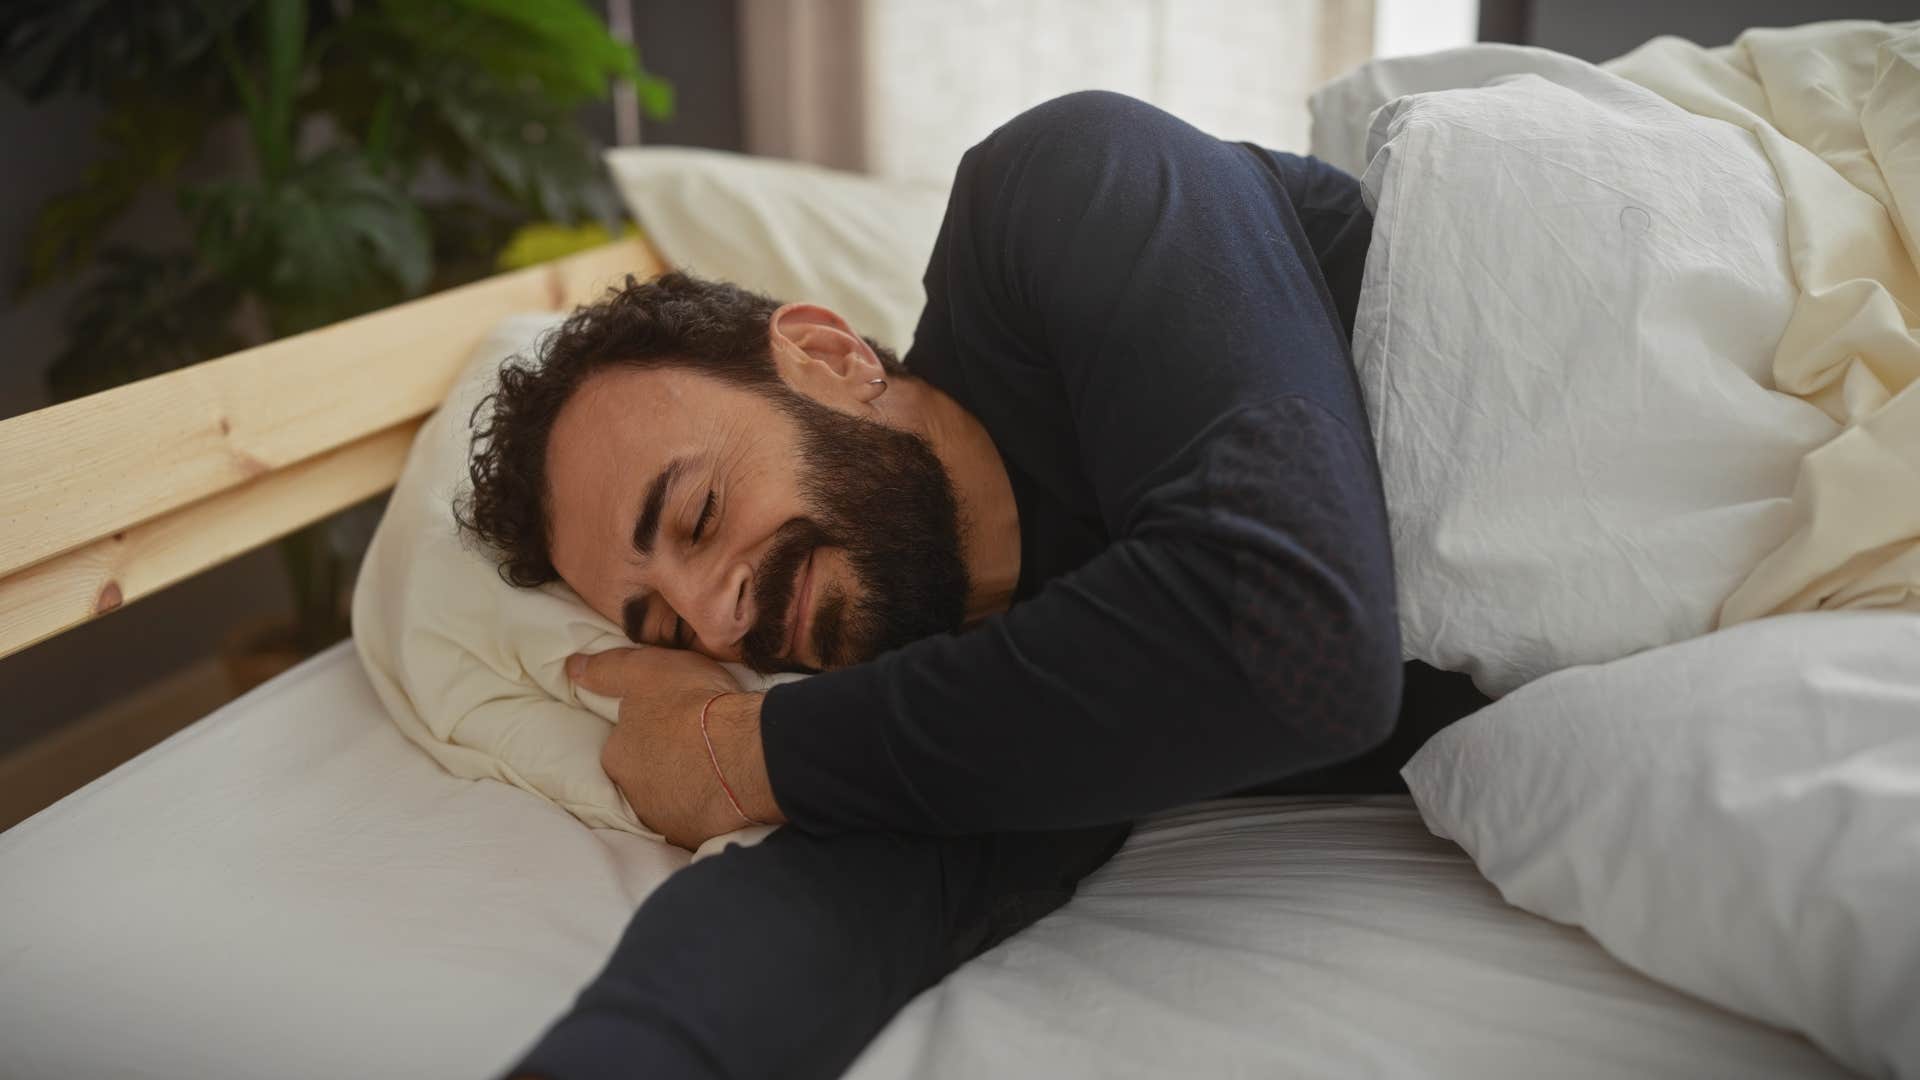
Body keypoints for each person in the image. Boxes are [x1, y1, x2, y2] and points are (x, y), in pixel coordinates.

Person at [456, 90, 1490, 1080]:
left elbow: (1295, 641)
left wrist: (742, 749)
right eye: (668, 629)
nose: (722, 621)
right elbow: (833, 904)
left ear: (826, 356)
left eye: (698, 515)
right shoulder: (955, 690)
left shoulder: (1060, 190)